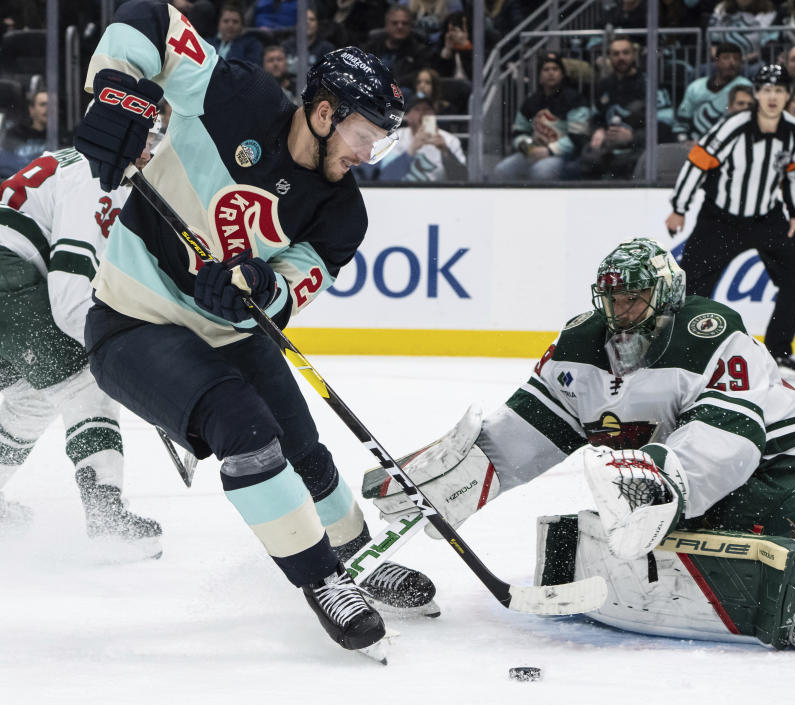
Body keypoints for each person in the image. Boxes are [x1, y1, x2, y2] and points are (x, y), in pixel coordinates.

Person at [72, 0, 436, 659]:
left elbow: (293, 282)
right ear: (324, 112)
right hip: (132, 321)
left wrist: (260, 287)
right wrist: (118, 88)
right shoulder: (237, 97)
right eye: (364, 134)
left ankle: (354, 554)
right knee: (248, 429)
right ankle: (322, 579)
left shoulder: (342, 214)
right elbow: (151, 22)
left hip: (228, 332)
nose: (368, 153)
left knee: (307, 450)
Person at [364, 237, 795, 651]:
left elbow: (730, 444)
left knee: (649, 518)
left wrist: (657, 482)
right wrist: (451, 480)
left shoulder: (710, 334)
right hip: (686, 476)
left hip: (786, 472)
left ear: (664, 298)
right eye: (612, 297)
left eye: (634, 297)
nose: (621, 310)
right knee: (625, 523)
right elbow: (521, 439)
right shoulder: (579, 347)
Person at [0, 143, 164, 552]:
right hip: (8, 276)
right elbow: (70, 297)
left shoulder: (87, 162)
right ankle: (106, 512)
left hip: (12, 277)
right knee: (81, 381)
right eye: (145, 139)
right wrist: (108, 355)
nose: (152, 149)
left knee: (32, 397)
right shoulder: (98, 176)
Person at [666, 65, 795, 379]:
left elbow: (794, 173)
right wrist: (680, 207)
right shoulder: (733, 126)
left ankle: (778, 352)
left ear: (788, 95)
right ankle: (679, 351)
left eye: (779, 90)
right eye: (766, 90)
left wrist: (794, 215)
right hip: (721, 219)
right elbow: (698, 162)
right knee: (691, 288)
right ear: (756, 94)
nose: (773, 96)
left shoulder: (793, 129)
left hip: (768, 217)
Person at [492, 52, 590, 182]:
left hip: (564, 155)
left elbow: (578, 137)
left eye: (555, 69)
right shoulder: (531, 101)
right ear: (539, 75)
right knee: (502, 170)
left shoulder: (575, 99)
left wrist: (549, 151)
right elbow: (519, 132)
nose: (551, 73)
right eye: (546, 69)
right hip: (535, 152)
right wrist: (529, 148)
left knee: (541, 172)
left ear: (562, 74)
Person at [580, 37, 648, 180]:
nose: (621, 57)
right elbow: (595, 116)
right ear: (609, 57)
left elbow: (664, 126)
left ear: (634, 55)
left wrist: (633, 137)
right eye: (616, 54)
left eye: (625, 53)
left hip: (637, 150)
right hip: (608, 150)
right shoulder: (604, 84)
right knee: (584, 162)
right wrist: (598, 129)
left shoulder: (648, 83)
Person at [363, 97, 467, 181]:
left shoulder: (449, 140)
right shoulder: (394, 138)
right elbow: (386, 178)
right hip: (400, 194)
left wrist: (445, 151)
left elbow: (462, 179)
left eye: (427, 109)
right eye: (417, 109)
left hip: (436, 195)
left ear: (434, 114)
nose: (422, 113)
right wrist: (411, 150)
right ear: (408, 116)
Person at [673, 44, 752, 142]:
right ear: (717, 61)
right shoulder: (695, 87)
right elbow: (682, 121)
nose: (732, 62)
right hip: (694, 145)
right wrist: (685, 141)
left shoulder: (745, 86)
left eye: (736, 59)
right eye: (726, 58)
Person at [364, 4, 434, 89]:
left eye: (405, 23)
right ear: (386, 25)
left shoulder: (420, 51)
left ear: (410, 26)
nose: (400, 26)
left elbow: (421, 76)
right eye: (395, 23)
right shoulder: (371, 47)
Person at [708, 0, 778, 66]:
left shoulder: (768, 11)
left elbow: (767, 45)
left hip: (754, 62)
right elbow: (713, 44)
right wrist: (723, 60)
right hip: (723, 63)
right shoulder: (722, 9)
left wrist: (740, 60)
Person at [0, 90, 48, 179]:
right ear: (32, 110)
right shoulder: (15, 134)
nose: (47, 108)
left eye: (51, 104)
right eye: (42, 104)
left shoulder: (63, 137)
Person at [281, 8, 336, 79]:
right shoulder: (286, 46)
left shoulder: (327, 48)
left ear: (317, 24)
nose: (307, 22)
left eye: (312, 19)